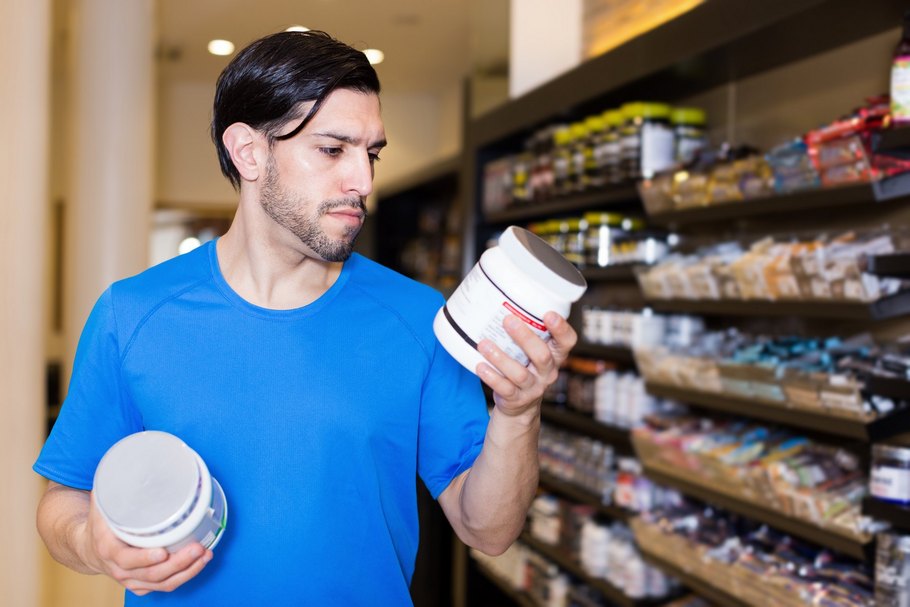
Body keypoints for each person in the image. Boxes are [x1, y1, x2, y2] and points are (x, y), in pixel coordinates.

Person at [34, 30, 577, 606]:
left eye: (371, 153)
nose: (363, 181)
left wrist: (518, 415)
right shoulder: (132, 313)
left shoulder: (419, 320)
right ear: (249, 152)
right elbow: (63, 500)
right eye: (332, 149)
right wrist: (93, 544)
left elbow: (488, 530)